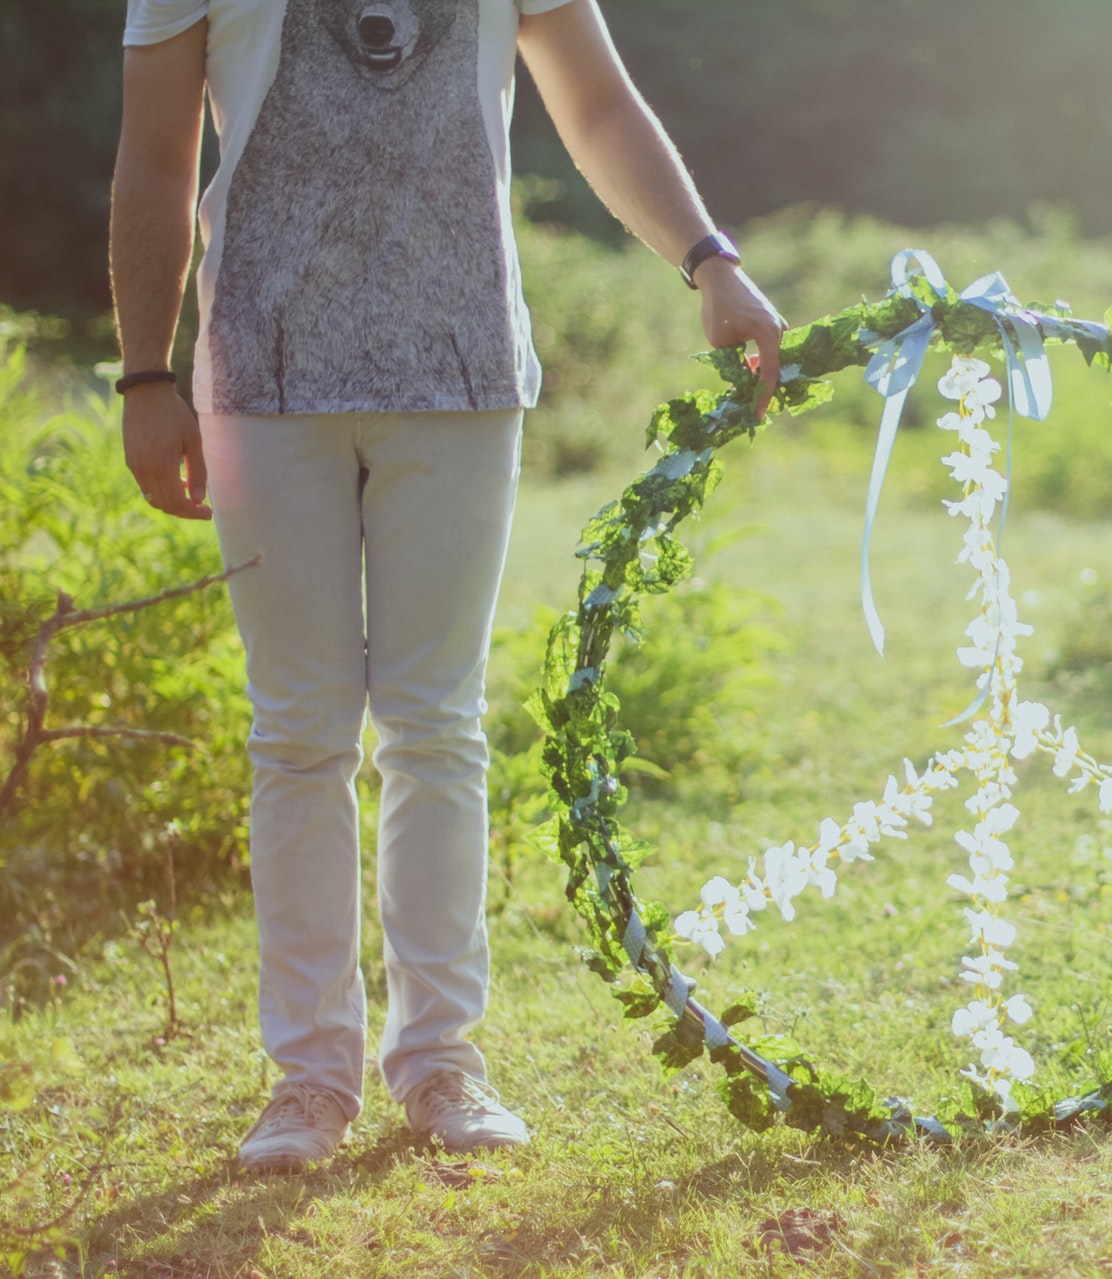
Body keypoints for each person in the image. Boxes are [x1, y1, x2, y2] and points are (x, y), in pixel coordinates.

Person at [112, 0, 787, 1172]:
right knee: (299, 733)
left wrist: (708, 257)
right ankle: (307, 1080)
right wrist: (142, 373)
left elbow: (598, 104)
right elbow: (158, 154)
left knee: (436, 725)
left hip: (463, 372)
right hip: (260, 380)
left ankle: (440, 1063)